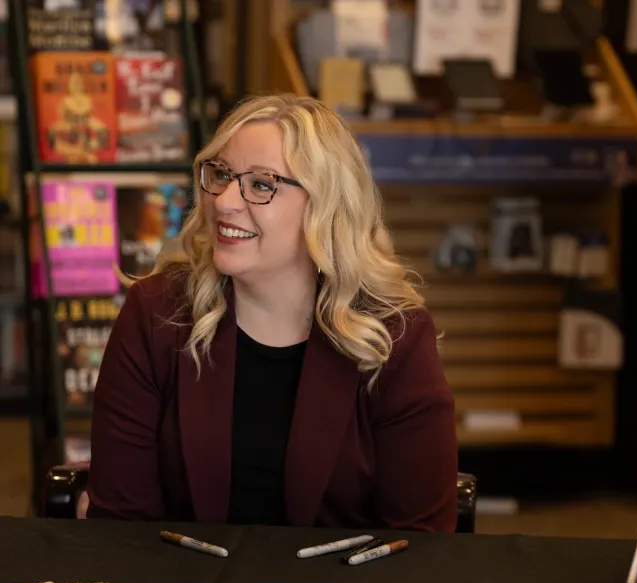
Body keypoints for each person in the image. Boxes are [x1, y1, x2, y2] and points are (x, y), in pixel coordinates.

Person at [86, 94, 459, 532]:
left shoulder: (395, 336)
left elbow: (419, 541)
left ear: (325, 209)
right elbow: (121, 527)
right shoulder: (156, 314)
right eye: (221, 175)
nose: (224, 201)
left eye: (261, 184)